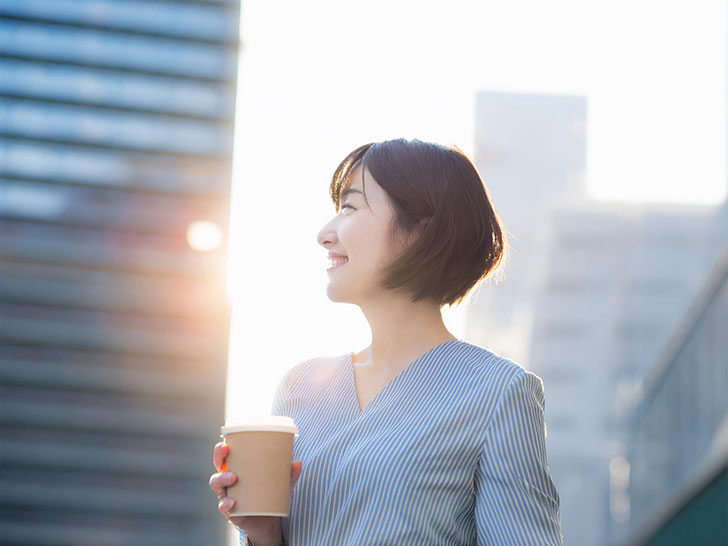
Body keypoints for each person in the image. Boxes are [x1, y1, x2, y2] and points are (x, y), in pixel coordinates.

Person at [209, 138, 563, 545]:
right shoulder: (300, 387)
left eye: (350, 207)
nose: (325, 234)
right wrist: (262, 533)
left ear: (421, 229)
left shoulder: (497, 393)